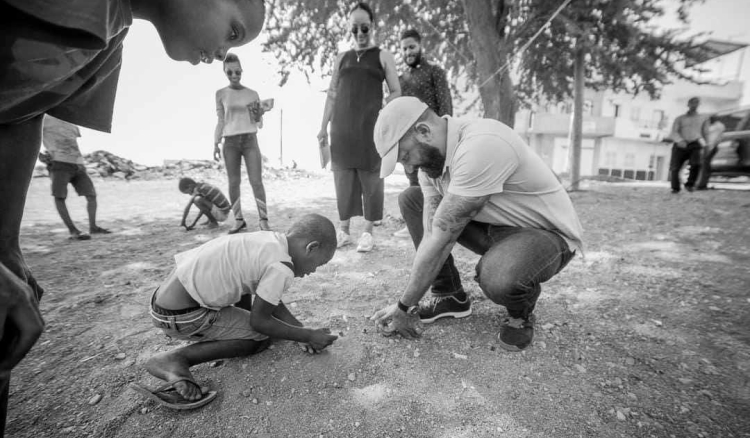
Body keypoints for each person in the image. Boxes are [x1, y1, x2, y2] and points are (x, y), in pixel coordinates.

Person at [0, 0, 266, 432]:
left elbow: (23, 113)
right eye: (233, 31)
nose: (222, 54)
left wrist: (7, 247)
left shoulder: (109, 44)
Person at [369, 97, 583, 352]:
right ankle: (449, 296)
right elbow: (431, 233)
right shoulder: (431, 168)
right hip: (497, 228)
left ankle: (521, 312)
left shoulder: (481, 145)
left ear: (424, 131)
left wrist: (403, 306)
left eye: (405, 156)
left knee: (497, 276)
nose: (410, 167)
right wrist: (407, 303)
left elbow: (443, 238)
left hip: (546, 236)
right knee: (412, 199)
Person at [131, 213, 339, 409]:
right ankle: (174, 360)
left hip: (163, 303)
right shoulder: (281, 267)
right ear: (311, 248)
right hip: (185, 316)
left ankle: (204, 341)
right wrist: (308, 335)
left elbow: (269, 298)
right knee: (258, 337)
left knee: (245, 291)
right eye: (319, 264)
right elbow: (260, 321)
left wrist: (298, 330)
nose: (312, 271)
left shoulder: (270, 242)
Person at [317, 2, 401, 253]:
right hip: (341, 129)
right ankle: (343, 231)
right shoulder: (341, 57)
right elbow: (332, 94)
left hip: (371, 129)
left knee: (372, 179)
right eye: (355, 29)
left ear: (372, 26)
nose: (360, 33)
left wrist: (384, 111)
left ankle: (367, 232)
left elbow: (396, 90)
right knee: (342, 177)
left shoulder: (383, 56)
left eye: (364, 27)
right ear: (349, 29)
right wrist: (323, 127)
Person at [394, 28, 453, 238]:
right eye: (404, 48)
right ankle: (418, 221)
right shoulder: (400, 80)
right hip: (411, 141)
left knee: (438, 181)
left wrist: (446, 136)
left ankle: (443, 223)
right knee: (414, 181)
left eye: (412, 47)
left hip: (433, 139)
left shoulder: (434, 72)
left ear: (420, 47)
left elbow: (445, 104)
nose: (408, 52)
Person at [214, 53, 271, 234]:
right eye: (229, 72)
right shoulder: (220, 94)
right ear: (225, 72)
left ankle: (263, 220)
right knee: (233, 182)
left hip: (250, 140)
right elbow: (221, 120)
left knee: (256, 181)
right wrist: (215, 142)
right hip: (229, 142)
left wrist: (260, 112)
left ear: (242, 70)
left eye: (237, 71)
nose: (234, 75)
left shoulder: (252, 94)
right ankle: (239, 220)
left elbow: (258, 123)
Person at [41, 115, 111, 240]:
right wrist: (39, 156)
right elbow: (31, 137)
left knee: (91, 195)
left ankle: (93, 227)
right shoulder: (45, 119)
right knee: (60, 197)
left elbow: (73, 143)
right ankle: (73, 231)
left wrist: (81, 164)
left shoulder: (71, 120)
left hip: (78, 164)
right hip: (59, 163)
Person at [668, 97, 707, 193]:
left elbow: (705, 132)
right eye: (692, 103)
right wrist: (680, 140)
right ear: (688, 104)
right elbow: (674, 132)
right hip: (680, 144)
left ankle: (690, 185)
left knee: (696, 164)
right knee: (675, 167)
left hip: (694, 143)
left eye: (696, 103)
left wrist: (706, 144)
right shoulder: (680, 118)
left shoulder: (702, 118)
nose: (694, 105)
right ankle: (675, 188)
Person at [695, 114, 726, 190]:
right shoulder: (717, 126)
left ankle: (701, 185)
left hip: (710, 147)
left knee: (704, 166)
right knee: (705, 166)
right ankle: (701, 184)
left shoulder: (717, 126)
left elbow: (713, 138)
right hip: (709, 147)